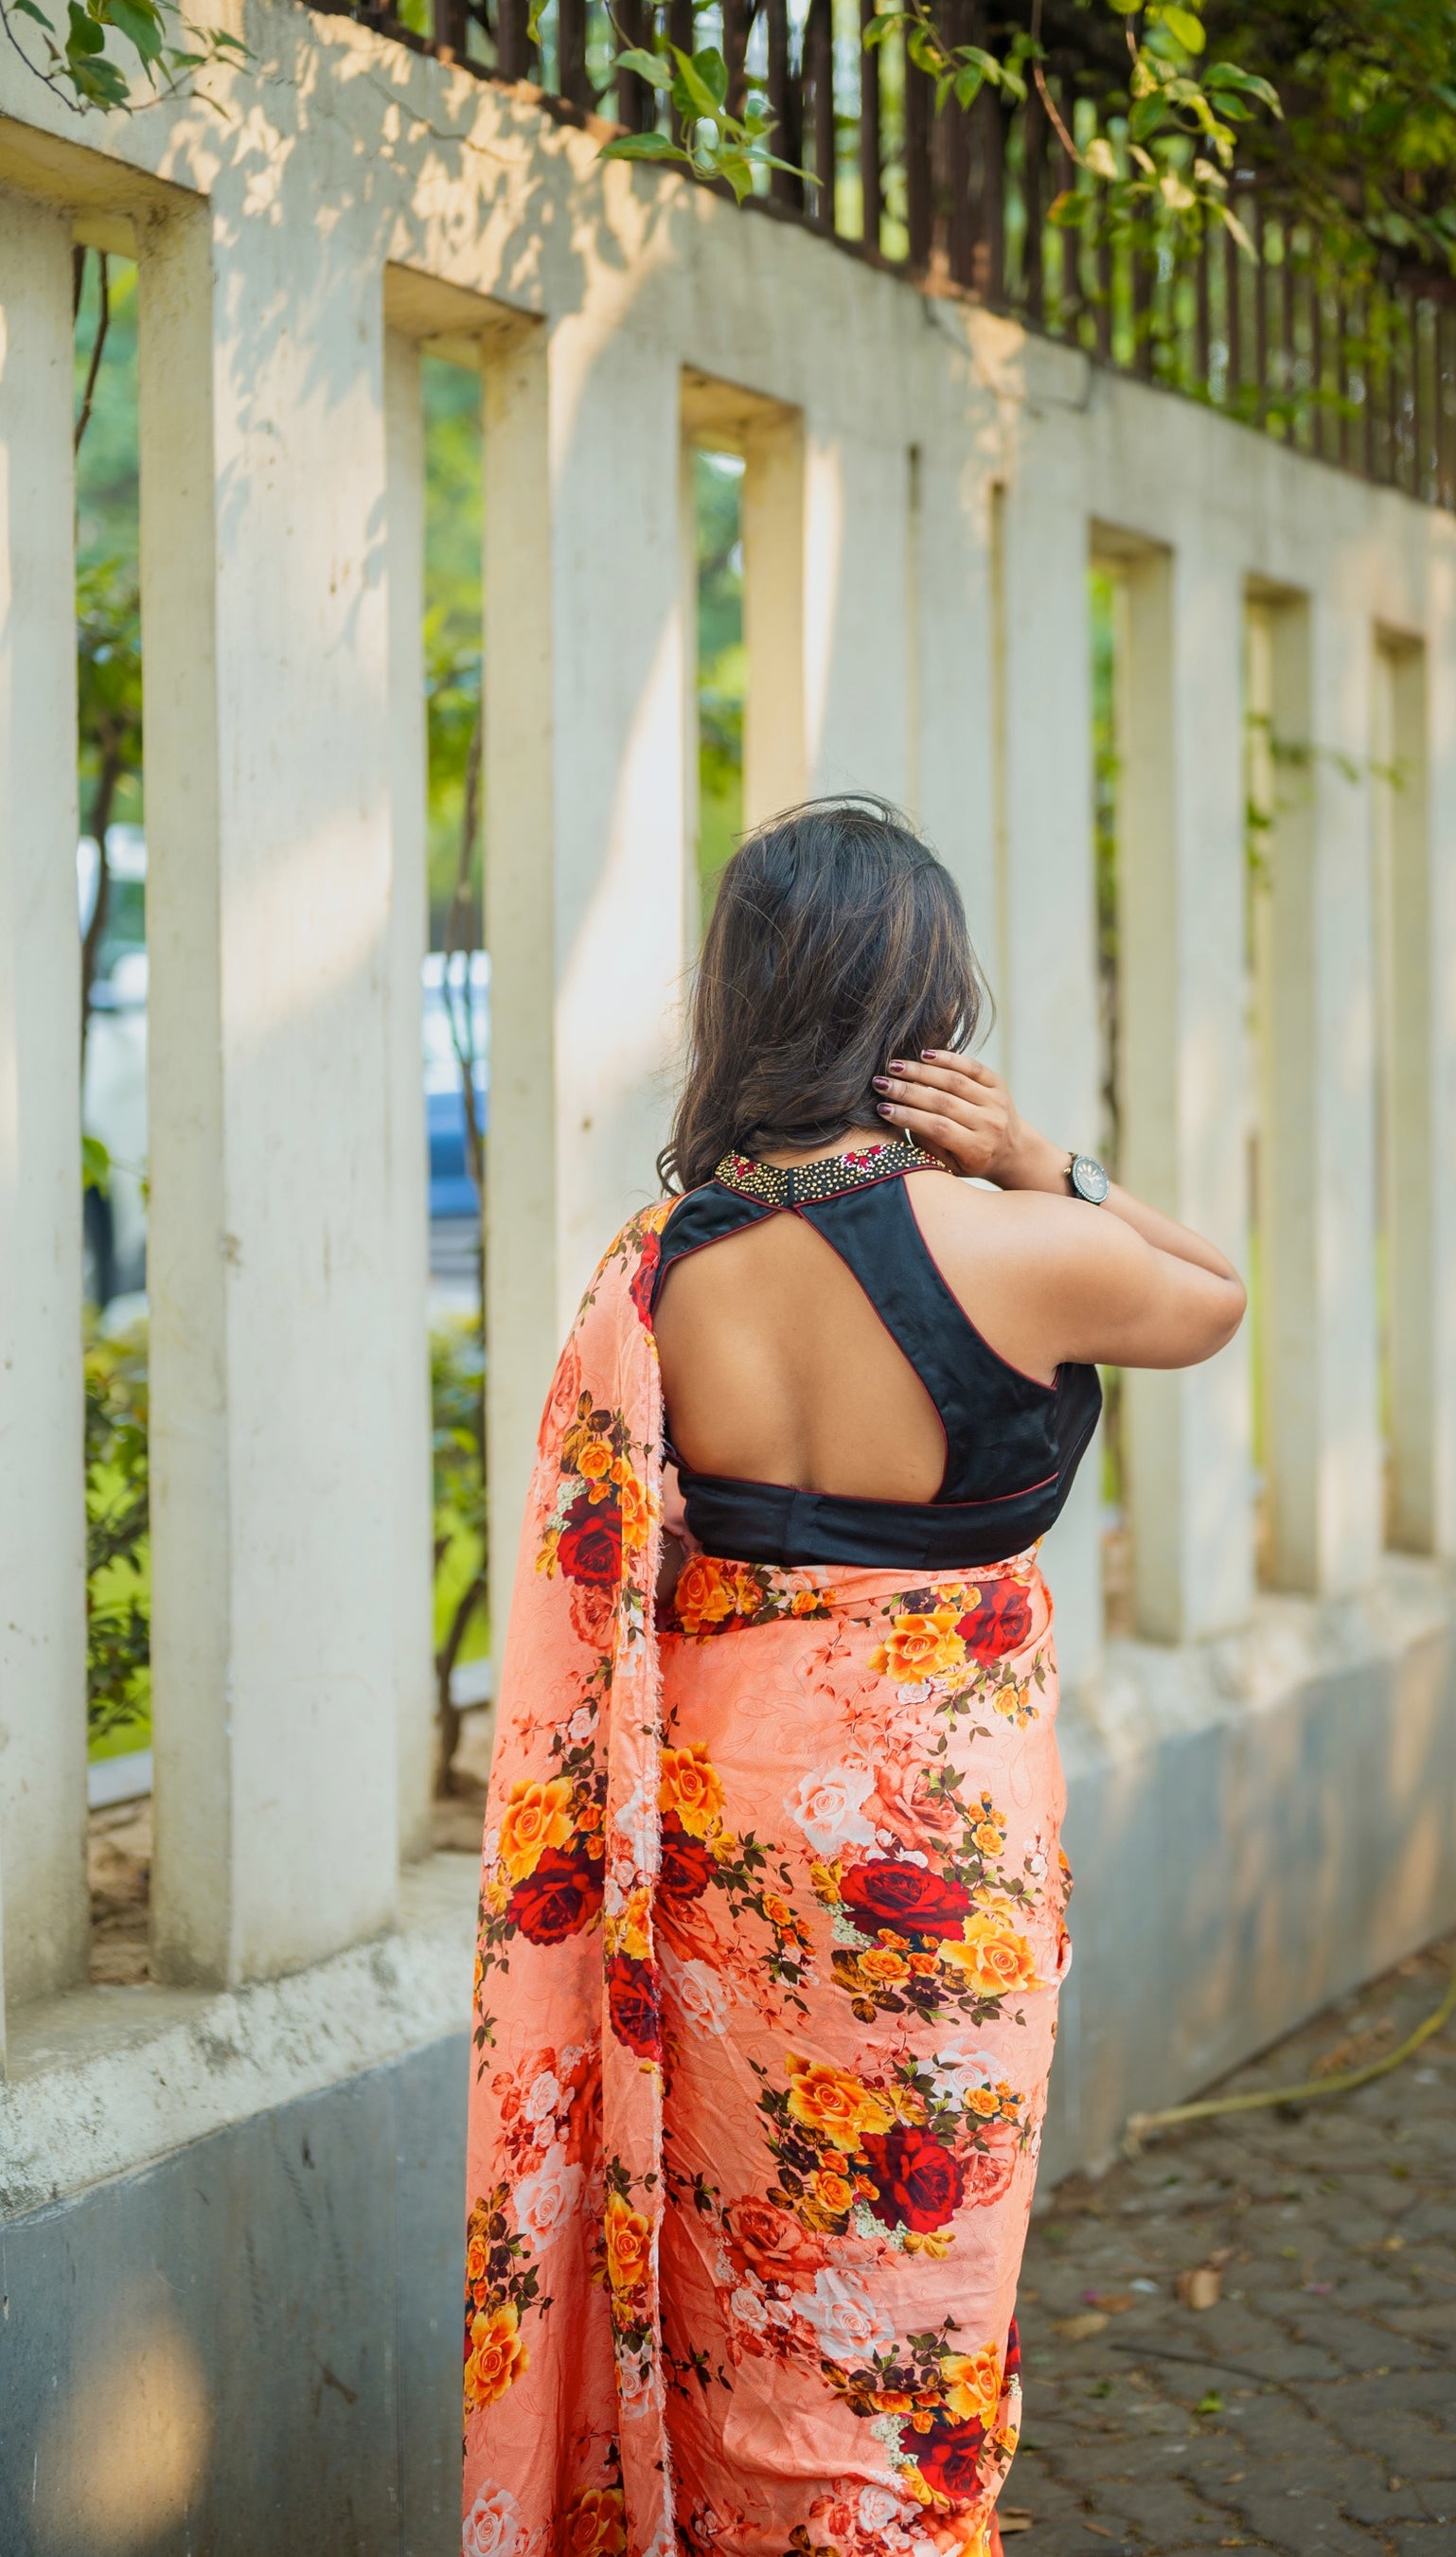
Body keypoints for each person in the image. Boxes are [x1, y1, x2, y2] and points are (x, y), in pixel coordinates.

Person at [461, 796, 1244, 2557]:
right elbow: (1216, 1294)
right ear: (925, 1009)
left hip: (719, 1862)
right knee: (911, 2311)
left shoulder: (654, 1279)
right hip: (935, 1865)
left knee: (739, 2292)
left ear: (746, 1002)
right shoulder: (1018, 1248)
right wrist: (1049, 1160)